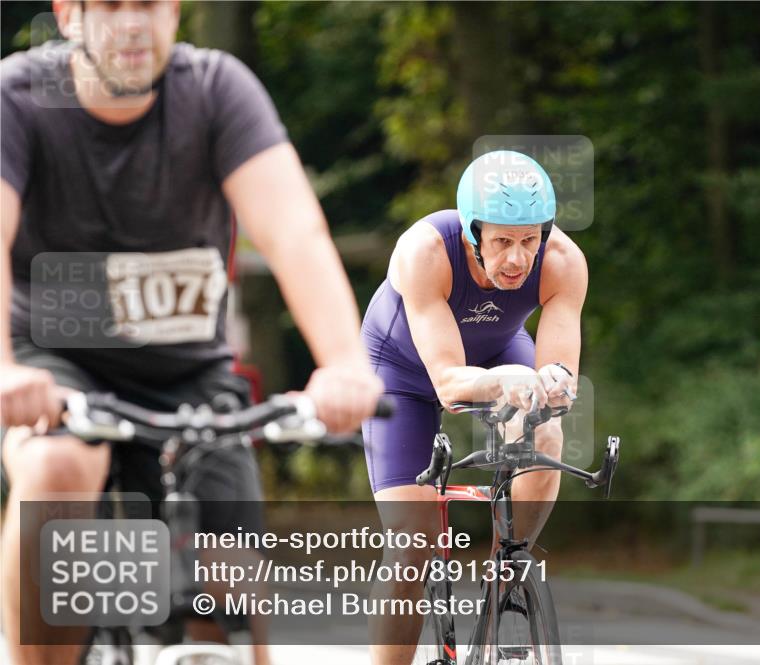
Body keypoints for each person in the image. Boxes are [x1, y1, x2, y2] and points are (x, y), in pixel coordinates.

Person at [0, 1, 383, 663]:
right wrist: (4, 370)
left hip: (188, 375)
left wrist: (344, 361)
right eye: (111, 4)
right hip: (53, 365)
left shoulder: (214, 91)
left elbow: (294, 232)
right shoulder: (20, 97)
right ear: (69, 16)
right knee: (57, 466)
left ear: (174, 12)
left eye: (148, 3)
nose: (131, 23)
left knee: (232, 601)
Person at [360, 149, 587, 664]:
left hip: (497, 353)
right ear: (471, 233)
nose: (516, 259)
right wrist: (510, 381)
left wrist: (554, 388)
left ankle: (507, 569)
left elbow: (559, 375)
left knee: (546, 431)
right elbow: (448, 383)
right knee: (412, 545)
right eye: (502, 241)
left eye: (530, 240)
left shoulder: (563, 264)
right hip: (403, 372)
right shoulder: (426, 251)